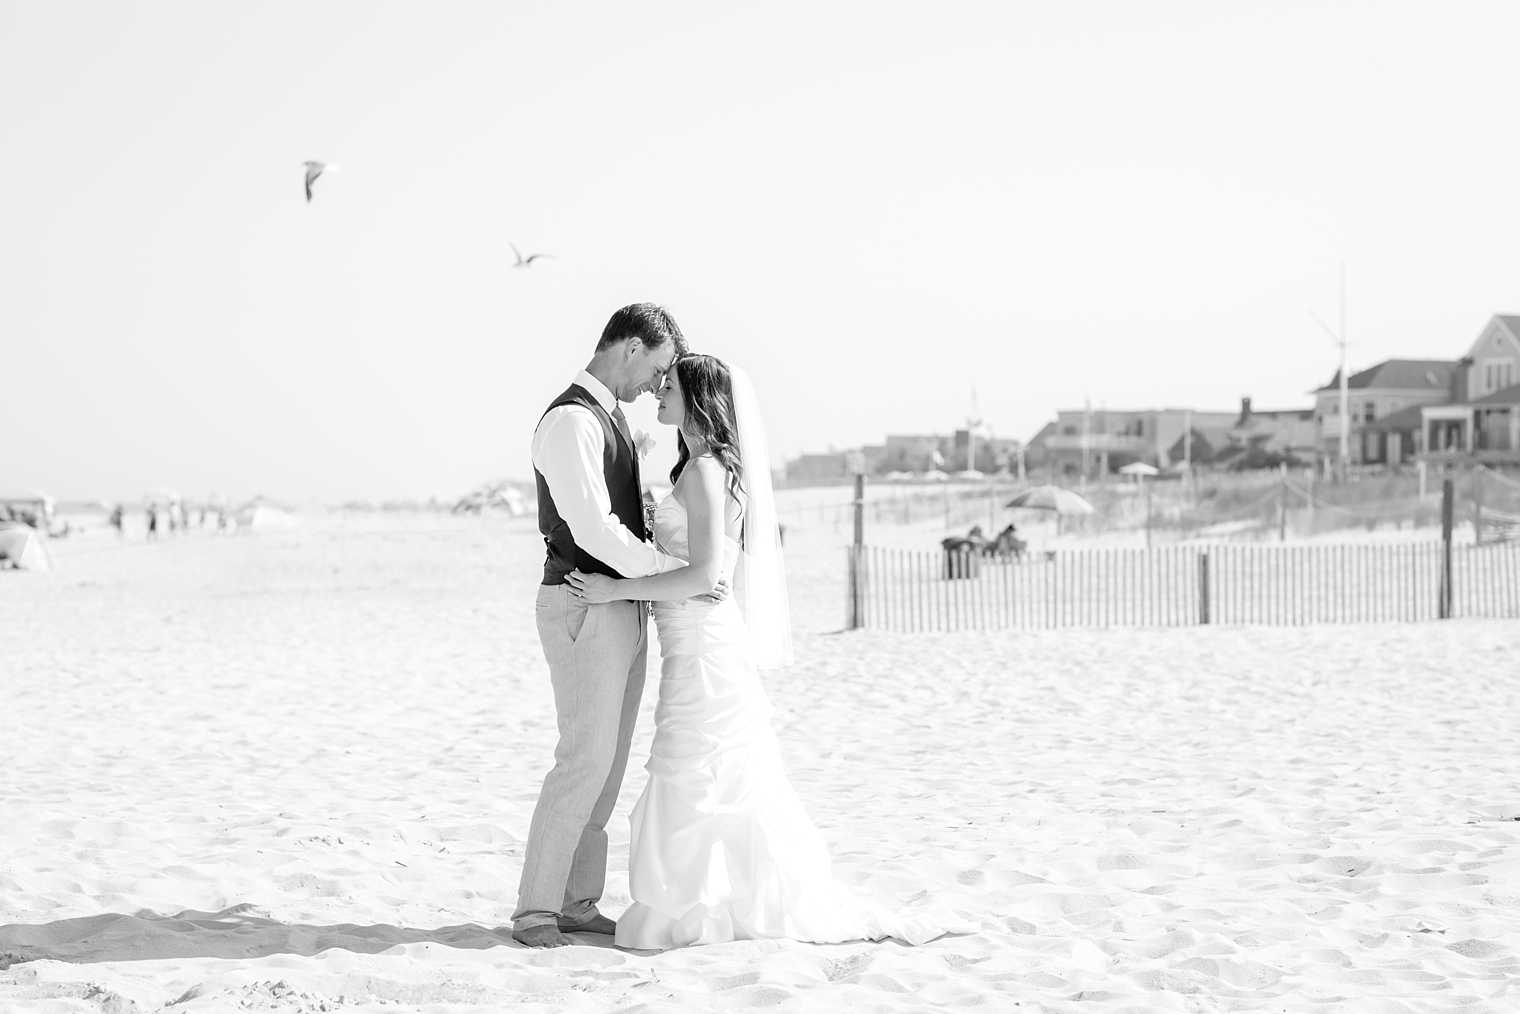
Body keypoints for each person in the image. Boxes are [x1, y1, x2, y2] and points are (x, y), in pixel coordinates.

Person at [568, 355, 949, 950]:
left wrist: (617, 587)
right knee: (699, 771)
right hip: (692, 639)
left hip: (700, 644)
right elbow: (696, 558)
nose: (659, 393)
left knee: (696, 770)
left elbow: (703, 575)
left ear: (699, 399)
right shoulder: (698, 468)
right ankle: (707, 905)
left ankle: (695, 911)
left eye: (669, 387)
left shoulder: (705, 472)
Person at [513, 303, 696, 949]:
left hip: (619, 600)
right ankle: (536, 910)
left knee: (609, 764)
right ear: (630, 347)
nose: (658, 384)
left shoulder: (608, 418)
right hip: (584, 602)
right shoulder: (570, 421)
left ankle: (576, 902)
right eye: (659, 366)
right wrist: (673, 569)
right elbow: (593, 530)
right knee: (582, 760)